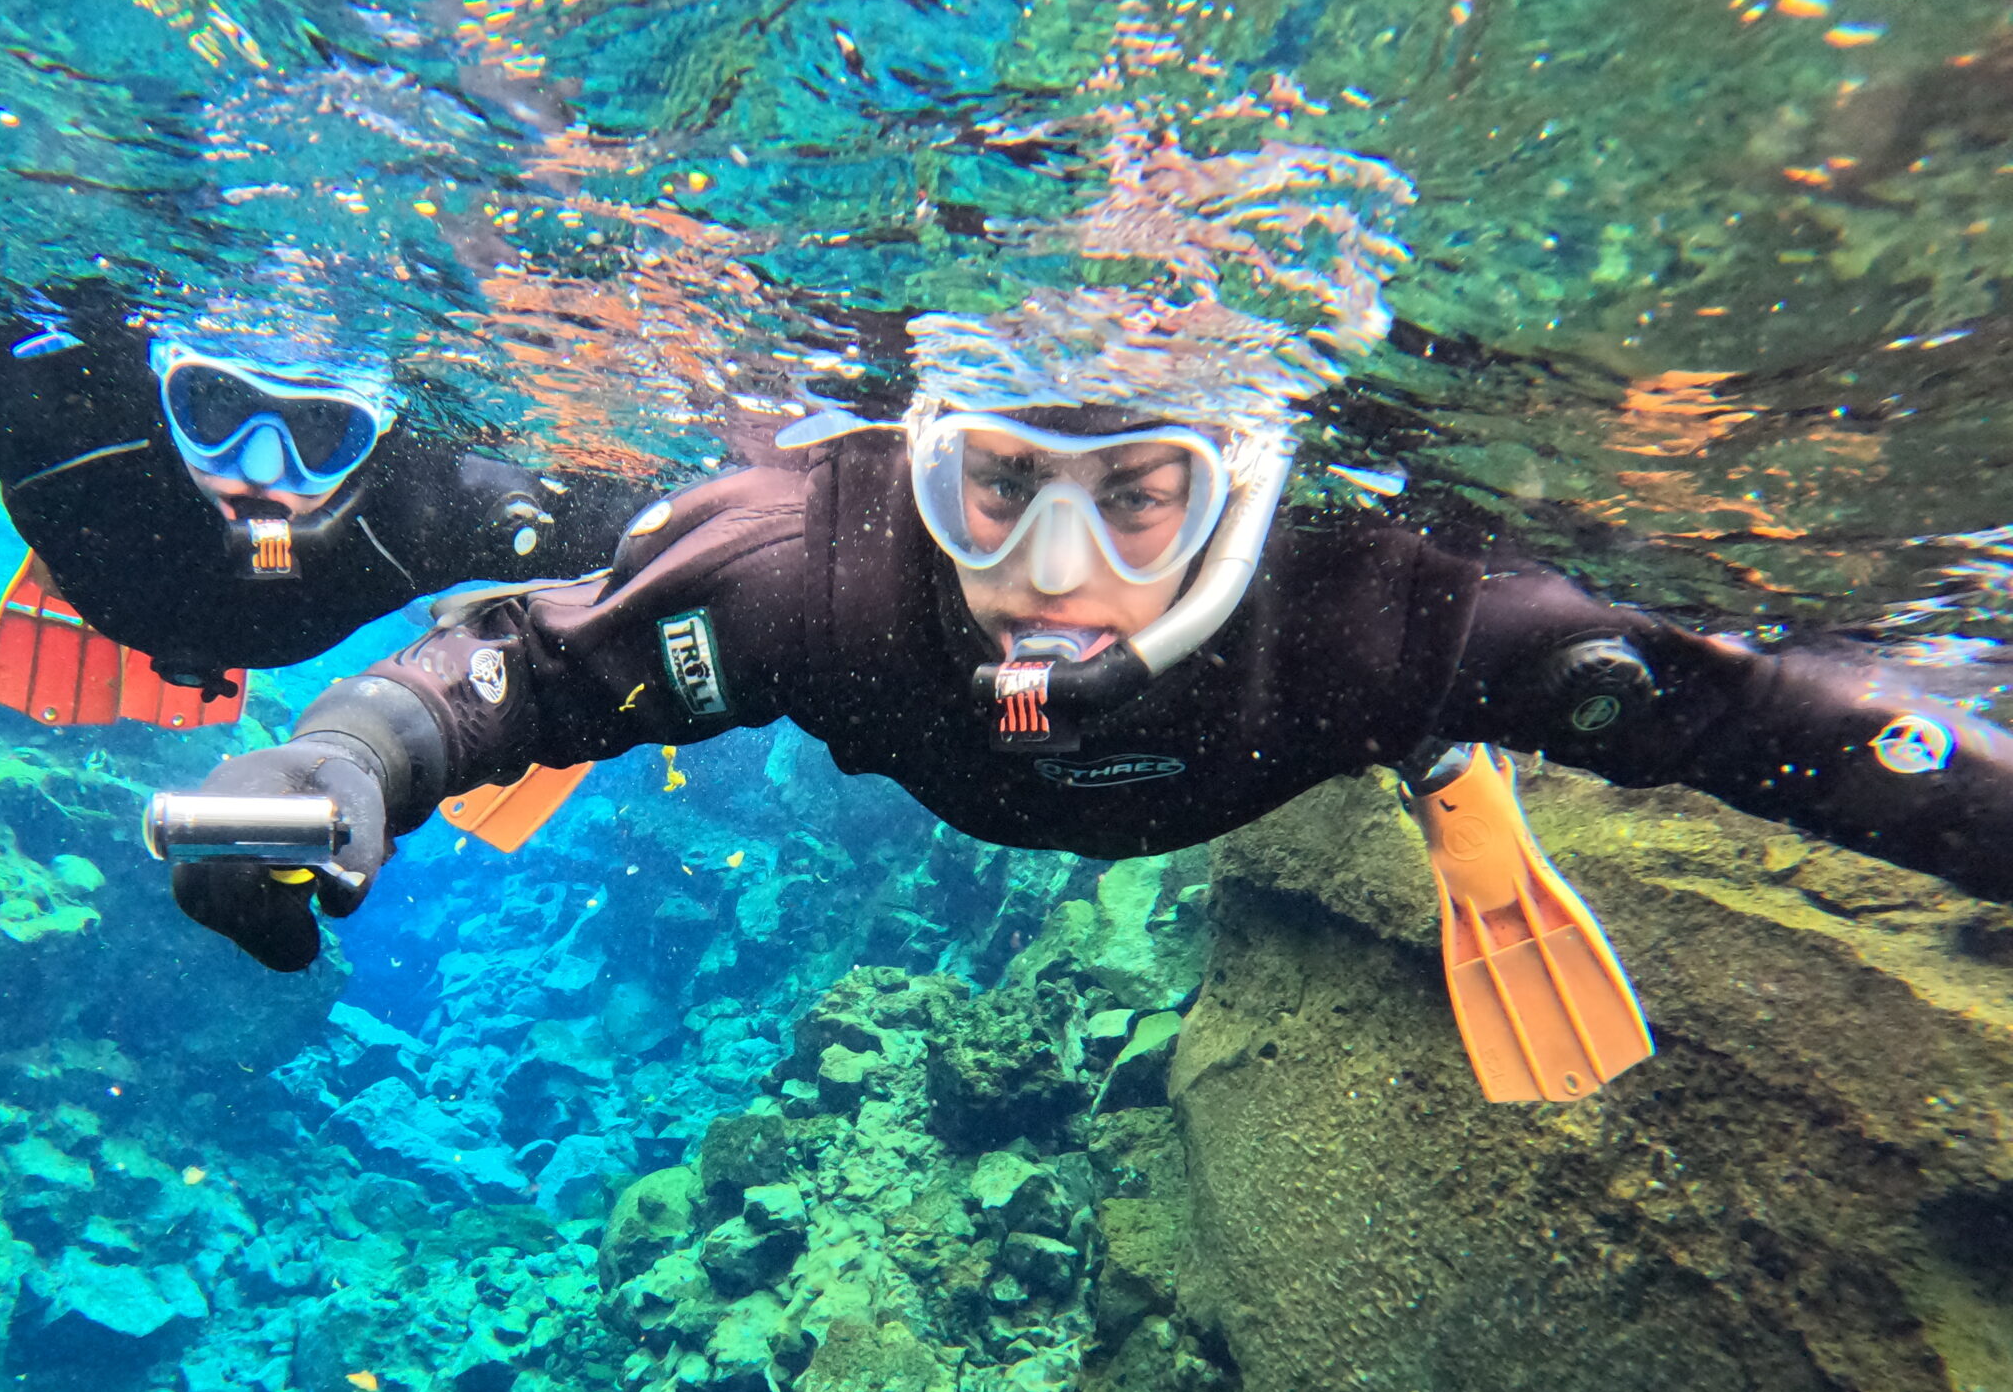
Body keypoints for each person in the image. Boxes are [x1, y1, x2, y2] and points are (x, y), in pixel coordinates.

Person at [162, 390, 2013, 1096]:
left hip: (1344, 718)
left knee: (1439, 696)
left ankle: (1450, 773)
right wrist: (361, 760)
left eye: (1142, 497)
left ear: (1256, 476)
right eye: (992, 487)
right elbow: (528, 666)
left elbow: (1782, 719)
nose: (1043, 577)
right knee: (639, 616)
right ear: (923, 447)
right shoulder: (815, 570)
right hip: (994, 709)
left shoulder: (1407, 600)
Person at [0, 291, 648, 720]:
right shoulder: (54, 410)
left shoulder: (434, 500)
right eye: (215, 406)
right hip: (109, 566)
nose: (261, 470)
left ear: (382, 432)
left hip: (160, 593)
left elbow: (670, 521)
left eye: (322, 434)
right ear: (159, 385)